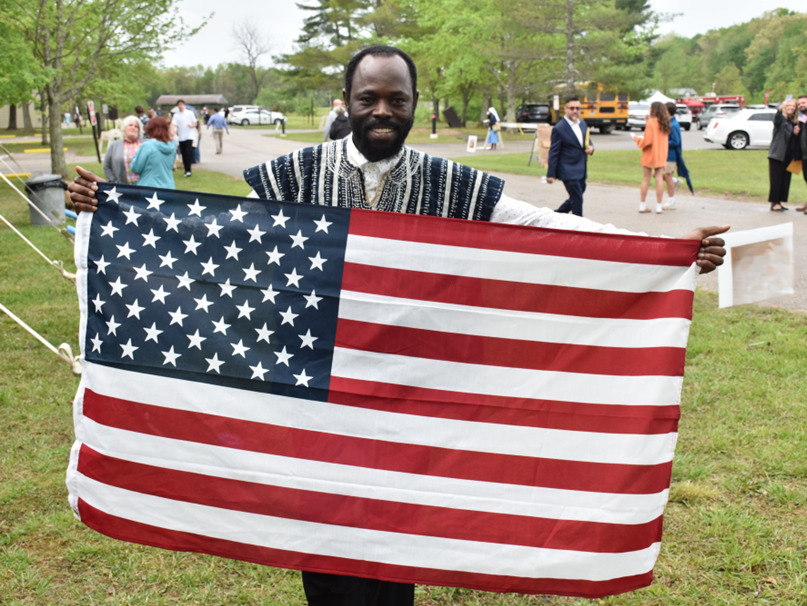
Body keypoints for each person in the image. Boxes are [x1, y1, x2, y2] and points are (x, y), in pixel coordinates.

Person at [68, 45, 728, 606]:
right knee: (324, 540)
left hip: (414, 395)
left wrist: (662, 254)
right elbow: (214, 240)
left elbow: (546, 230)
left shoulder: (453, 184)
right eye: (368, 98)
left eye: (396, 99)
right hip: (316, 396)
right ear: (347, 101)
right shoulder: (289, 176)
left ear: (414, 103)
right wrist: (114, 210)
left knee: (394, 537)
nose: (382, 110)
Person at [546, 96, 594, 217]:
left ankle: (557, 215)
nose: (575, 111)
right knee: (577, 197)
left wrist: (591, 148)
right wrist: (551, 174)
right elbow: (554, 152)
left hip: (581, 167)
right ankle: (579, 221)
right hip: (567, 169)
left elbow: (587, 141)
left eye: (577, 108)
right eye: (572, 108)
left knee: (578, 192)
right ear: (566, 109)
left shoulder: (583, 124)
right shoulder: (559, 128)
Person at [633, 101, 670, 214]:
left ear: (654, 110)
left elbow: (648, 140)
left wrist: (636, 139)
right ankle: (659, 206)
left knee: (646, 179)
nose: (649, 110)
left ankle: (642, 205)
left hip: (650, 154)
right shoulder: (665, 123)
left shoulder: (651, 123)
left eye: (650, 108)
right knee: (659, 179)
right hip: (661, 154)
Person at [768, 98, 799, 212]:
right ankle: (774, 203)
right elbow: (776, 120)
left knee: (785, 180)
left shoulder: (792, 121)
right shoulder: (781, 119)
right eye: (789, 106)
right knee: (776, 179)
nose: (791, 108)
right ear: (785, 107)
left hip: (788, 155)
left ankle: (779, 202)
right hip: (777, 154)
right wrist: (779, 109)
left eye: (793, 106)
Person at [130, 117, 176, 189]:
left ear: (150, 129)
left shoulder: (148, 146)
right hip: (168, 189)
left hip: (149, 189)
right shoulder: (172, 148)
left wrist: (136, 155)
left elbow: (136, 168)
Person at [102, 115, 142, 185]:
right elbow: (106, 165)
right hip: (122, 186)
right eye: (130, 125)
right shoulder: (114, 145)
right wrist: (113, 181)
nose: (133, 127)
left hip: (143, 186)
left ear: (139, 130)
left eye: (136, 126)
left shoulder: (145, 145)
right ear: (124, 128)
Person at [662, 102, 683, 211]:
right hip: (665, 155)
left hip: (671, 155)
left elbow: (676, 141)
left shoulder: (673, 125)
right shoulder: (669, 123)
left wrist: (663, 143)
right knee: (657, 174)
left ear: (667, 112)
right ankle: (675, 181)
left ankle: (671, 201)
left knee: (667, 176)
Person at [171, 99, 198, 178]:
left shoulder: (189, 113)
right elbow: (173, 124)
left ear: (184, 105)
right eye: (179, 105)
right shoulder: (176, 115)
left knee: (188, 152)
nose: (180, 106)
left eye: (182, 104)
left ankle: (189, 170)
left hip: (189, 135)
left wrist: (191, 125)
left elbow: (195, 123)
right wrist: (172, 131)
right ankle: (186, 170)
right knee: (183, 153)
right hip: (181, 136)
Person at [796, 95, 807, 213]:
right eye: (799, 104)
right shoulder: (802, 118)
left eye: (803, 103)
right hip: (804, 156)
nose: (801, 105)